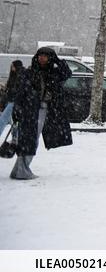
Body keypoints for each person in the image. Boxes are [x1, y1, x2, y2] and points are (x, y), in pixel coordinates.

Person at [10, 47, 73, 180]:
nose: (42, 58)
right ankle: (22, 171)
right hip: (31, 110)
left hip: (45, 110)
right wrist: (17, 108)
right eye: (40, 56)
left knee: (30, 139)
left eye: (45, 56)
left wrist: (57, 60)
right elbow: (21, 91)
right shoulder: (30, 72)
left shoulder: (54, 73)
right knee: (29, 139)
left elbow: (67, 73)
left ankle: (19, 170)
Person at [0, 60, 24, 143]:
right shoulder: (14, 75)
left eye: (12, 66)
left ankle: (15, 138)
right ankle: (15, 138)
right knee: (15, 121)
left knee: (3, 119)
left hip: (14, 101)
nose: (11, 67)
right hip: (12, 100)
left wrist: (11, 91)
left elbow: (18, 89)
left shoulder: (20, 75)